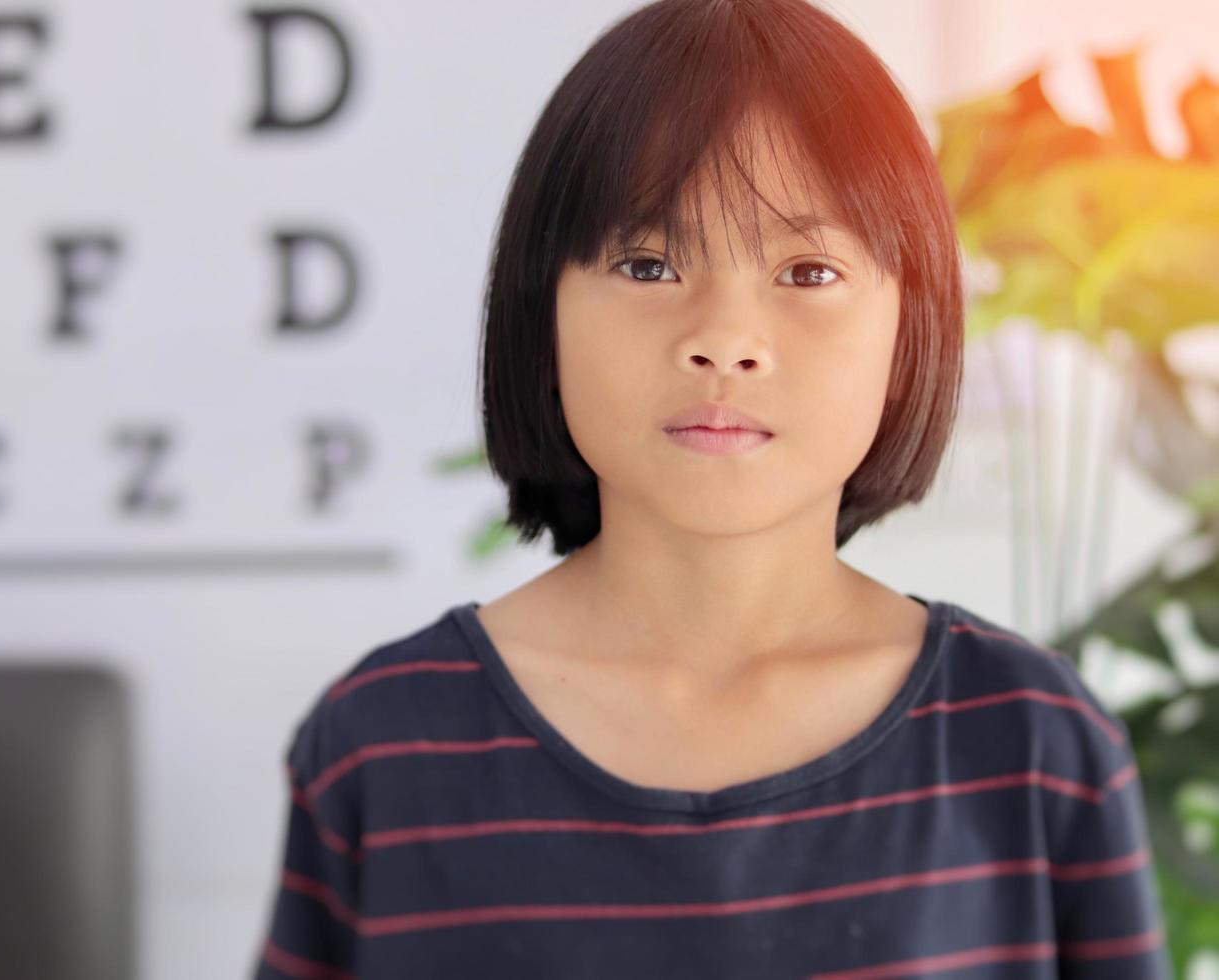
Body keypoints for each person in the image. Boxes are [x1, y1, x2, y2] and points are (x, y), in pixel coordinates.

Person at [252, 0, 1173, 976]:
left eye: (808, 269)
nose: (724, 338)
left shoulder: (1031, 742)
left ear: (913, 326)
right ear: (542, 311)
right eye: (647, 262)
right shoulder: (383, 745)